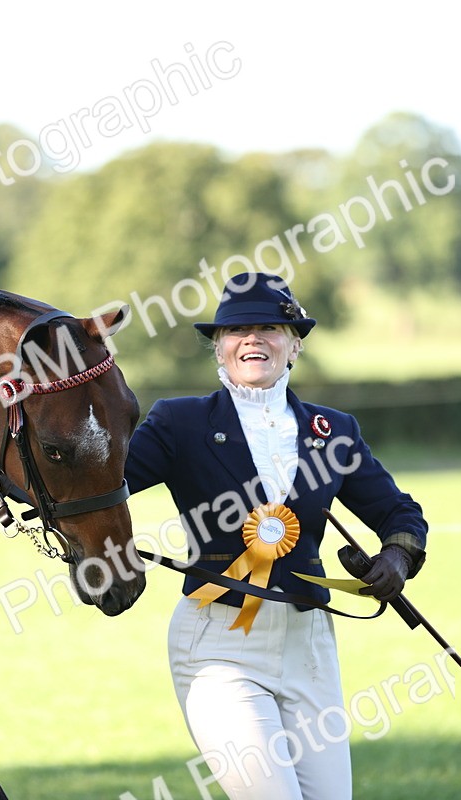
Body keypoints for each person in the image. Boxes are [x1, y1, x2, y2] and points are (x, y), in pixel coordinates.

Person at [124, 272, 427, 800]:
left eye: (270, 327)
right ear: (218, 347)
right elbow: (106, 484)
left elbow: (399, 511)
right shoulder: (179, 422)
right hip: (219, 647)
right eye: (237, 330)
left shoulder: (332, 431)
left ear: (295, 345)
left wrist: (396, 559)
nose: (253, 339)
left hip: (309, 649)